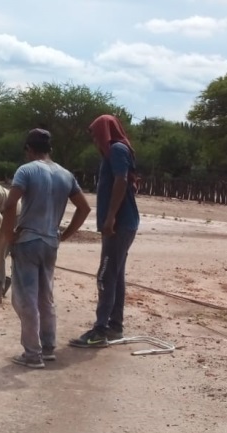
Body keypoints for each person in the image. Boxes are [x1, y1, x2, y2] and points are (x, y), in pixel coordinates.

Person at [1, 128, 91, 368]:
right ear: (50, 149)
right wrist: (65, 234)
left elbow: (10, 205)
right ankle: (48, 348)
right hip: (51, 242)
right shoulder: (66, 174)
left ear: (28, 150)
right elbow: (84, 208)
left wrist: (9, 236)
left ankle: (32, 354)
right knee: (46, 297)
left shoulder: (26, 170)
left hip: (28, 241)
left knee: (26, 299)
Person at [70, 114, 141, 348]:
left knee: (105, 275)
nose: (93, 139)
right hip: (121, 223)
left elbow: (121, 181)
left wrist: (110, 217)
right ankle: (114, 326)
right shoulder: (115, 151)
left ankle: (100, 330)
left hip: (120, 224)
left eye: (94, 133)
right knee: (116, 275)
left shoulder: (117, 150)